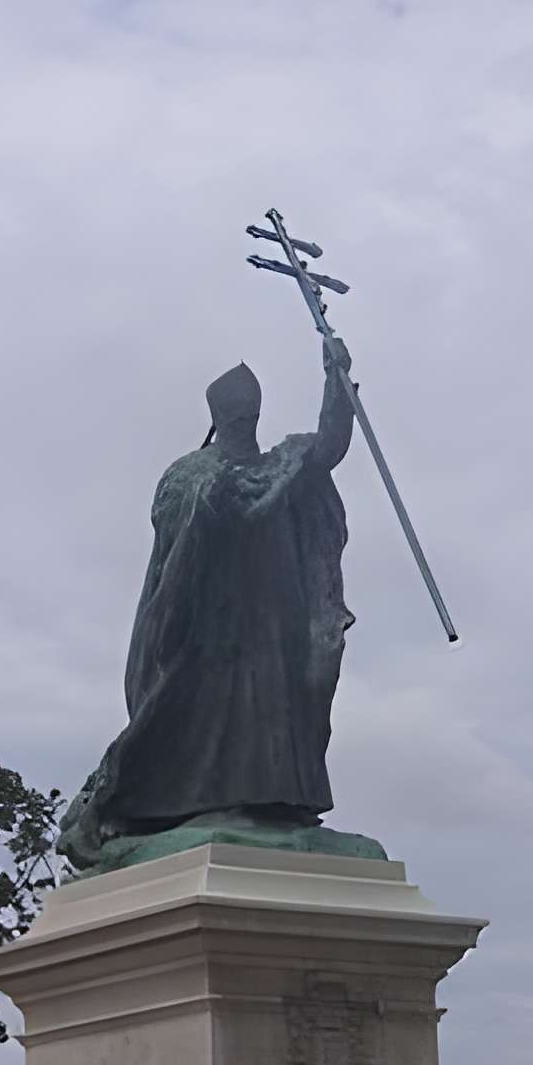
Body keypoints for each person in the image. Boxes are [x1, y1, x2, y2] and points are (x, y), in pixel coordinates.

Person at [59, 334, 357, 867]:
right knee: (196, 708)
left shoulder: (283, 463)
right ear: (220, 416)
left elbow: (329, 446)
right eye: (236, 412)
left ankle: (271, 803)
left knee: (278, 708)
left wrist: (337, 379)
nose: (244, 418)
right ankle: (177, 807)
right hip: (210, 621)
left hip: (276, 615)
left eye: (249, 411)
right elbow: (172, 548)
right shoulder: (190, 473)